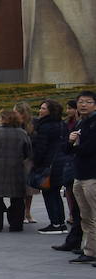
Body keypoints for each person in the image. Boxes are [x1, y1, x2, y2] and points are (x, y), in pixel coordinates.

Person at [0, 109, 31, 232]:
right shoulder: (22, 133)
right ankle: (16, 225)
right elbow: (28, 151)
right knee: (18, 198)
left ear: (2, 119)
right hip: (17, 169)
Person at [67, 91, 96, 264]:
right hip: (80, 174)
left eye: (88, 102)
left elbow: (89, 149)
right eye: (81, 102)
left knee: (94, 215)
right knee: (85, 215)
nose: (83, 105)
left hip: (92, 175)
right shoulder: (81, 123)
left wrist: (75, 145)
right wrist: (71, 141)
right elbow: (67, 149)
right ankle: (90, 250)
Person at [32, 99, 69, 235]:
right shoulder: (62, 124)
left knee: (49, 194)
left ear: (50, 111)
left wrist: (36, 163)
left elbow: (41, 148)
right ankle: (60, 222)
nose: (40, 111)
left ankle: (55, 223)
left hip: (49, 165)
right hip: (61, 163)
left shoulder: (45, 126)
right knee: (55, 194)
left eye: (43, 108)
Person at [54, 99, 84, 252]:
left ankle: (83, 244)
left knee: (86, 212)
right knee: (79, 210)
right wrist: (70, 142)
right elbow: (66, 148)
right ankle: (75, 241)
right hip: (75, 169)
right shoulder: (74, 125)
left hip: (84, 172)